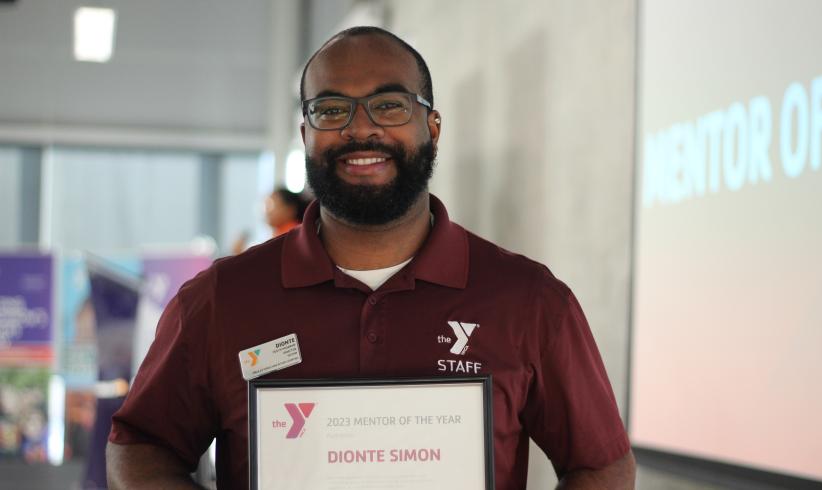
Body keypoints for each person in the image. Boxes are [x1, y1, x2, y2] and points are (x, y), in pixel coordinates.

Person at [106, 26, 635, 489]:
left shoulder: (529, 300)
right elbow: (140, 449)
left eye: (389, 104)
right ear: (306, 134)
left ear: (432, 127)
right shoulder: (220, 300)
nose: (360, 128)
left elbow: (602, 466)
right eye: (331, 109)